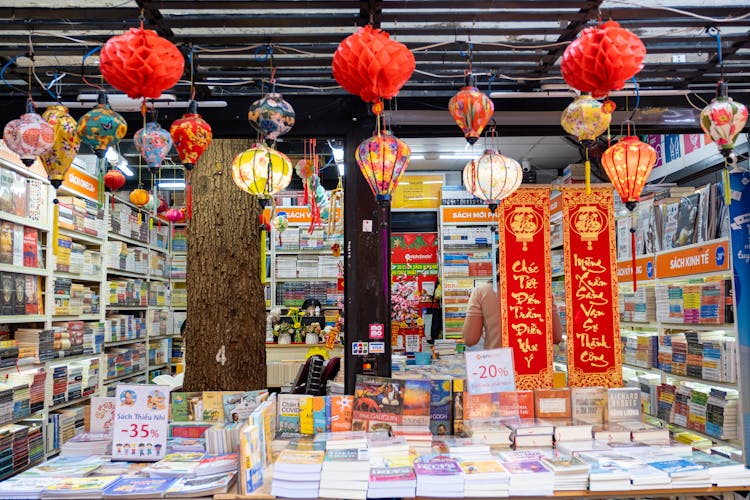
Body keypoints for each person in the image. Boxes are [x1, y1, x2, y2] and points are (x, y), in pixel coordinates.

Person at [462, 253, 563, 349]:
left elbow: (470, 339)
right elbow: (556, 337)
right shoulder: (543, 291)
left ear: (498, 267)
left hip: (500, 364)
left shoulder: (482, 292)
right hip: (534, 363)